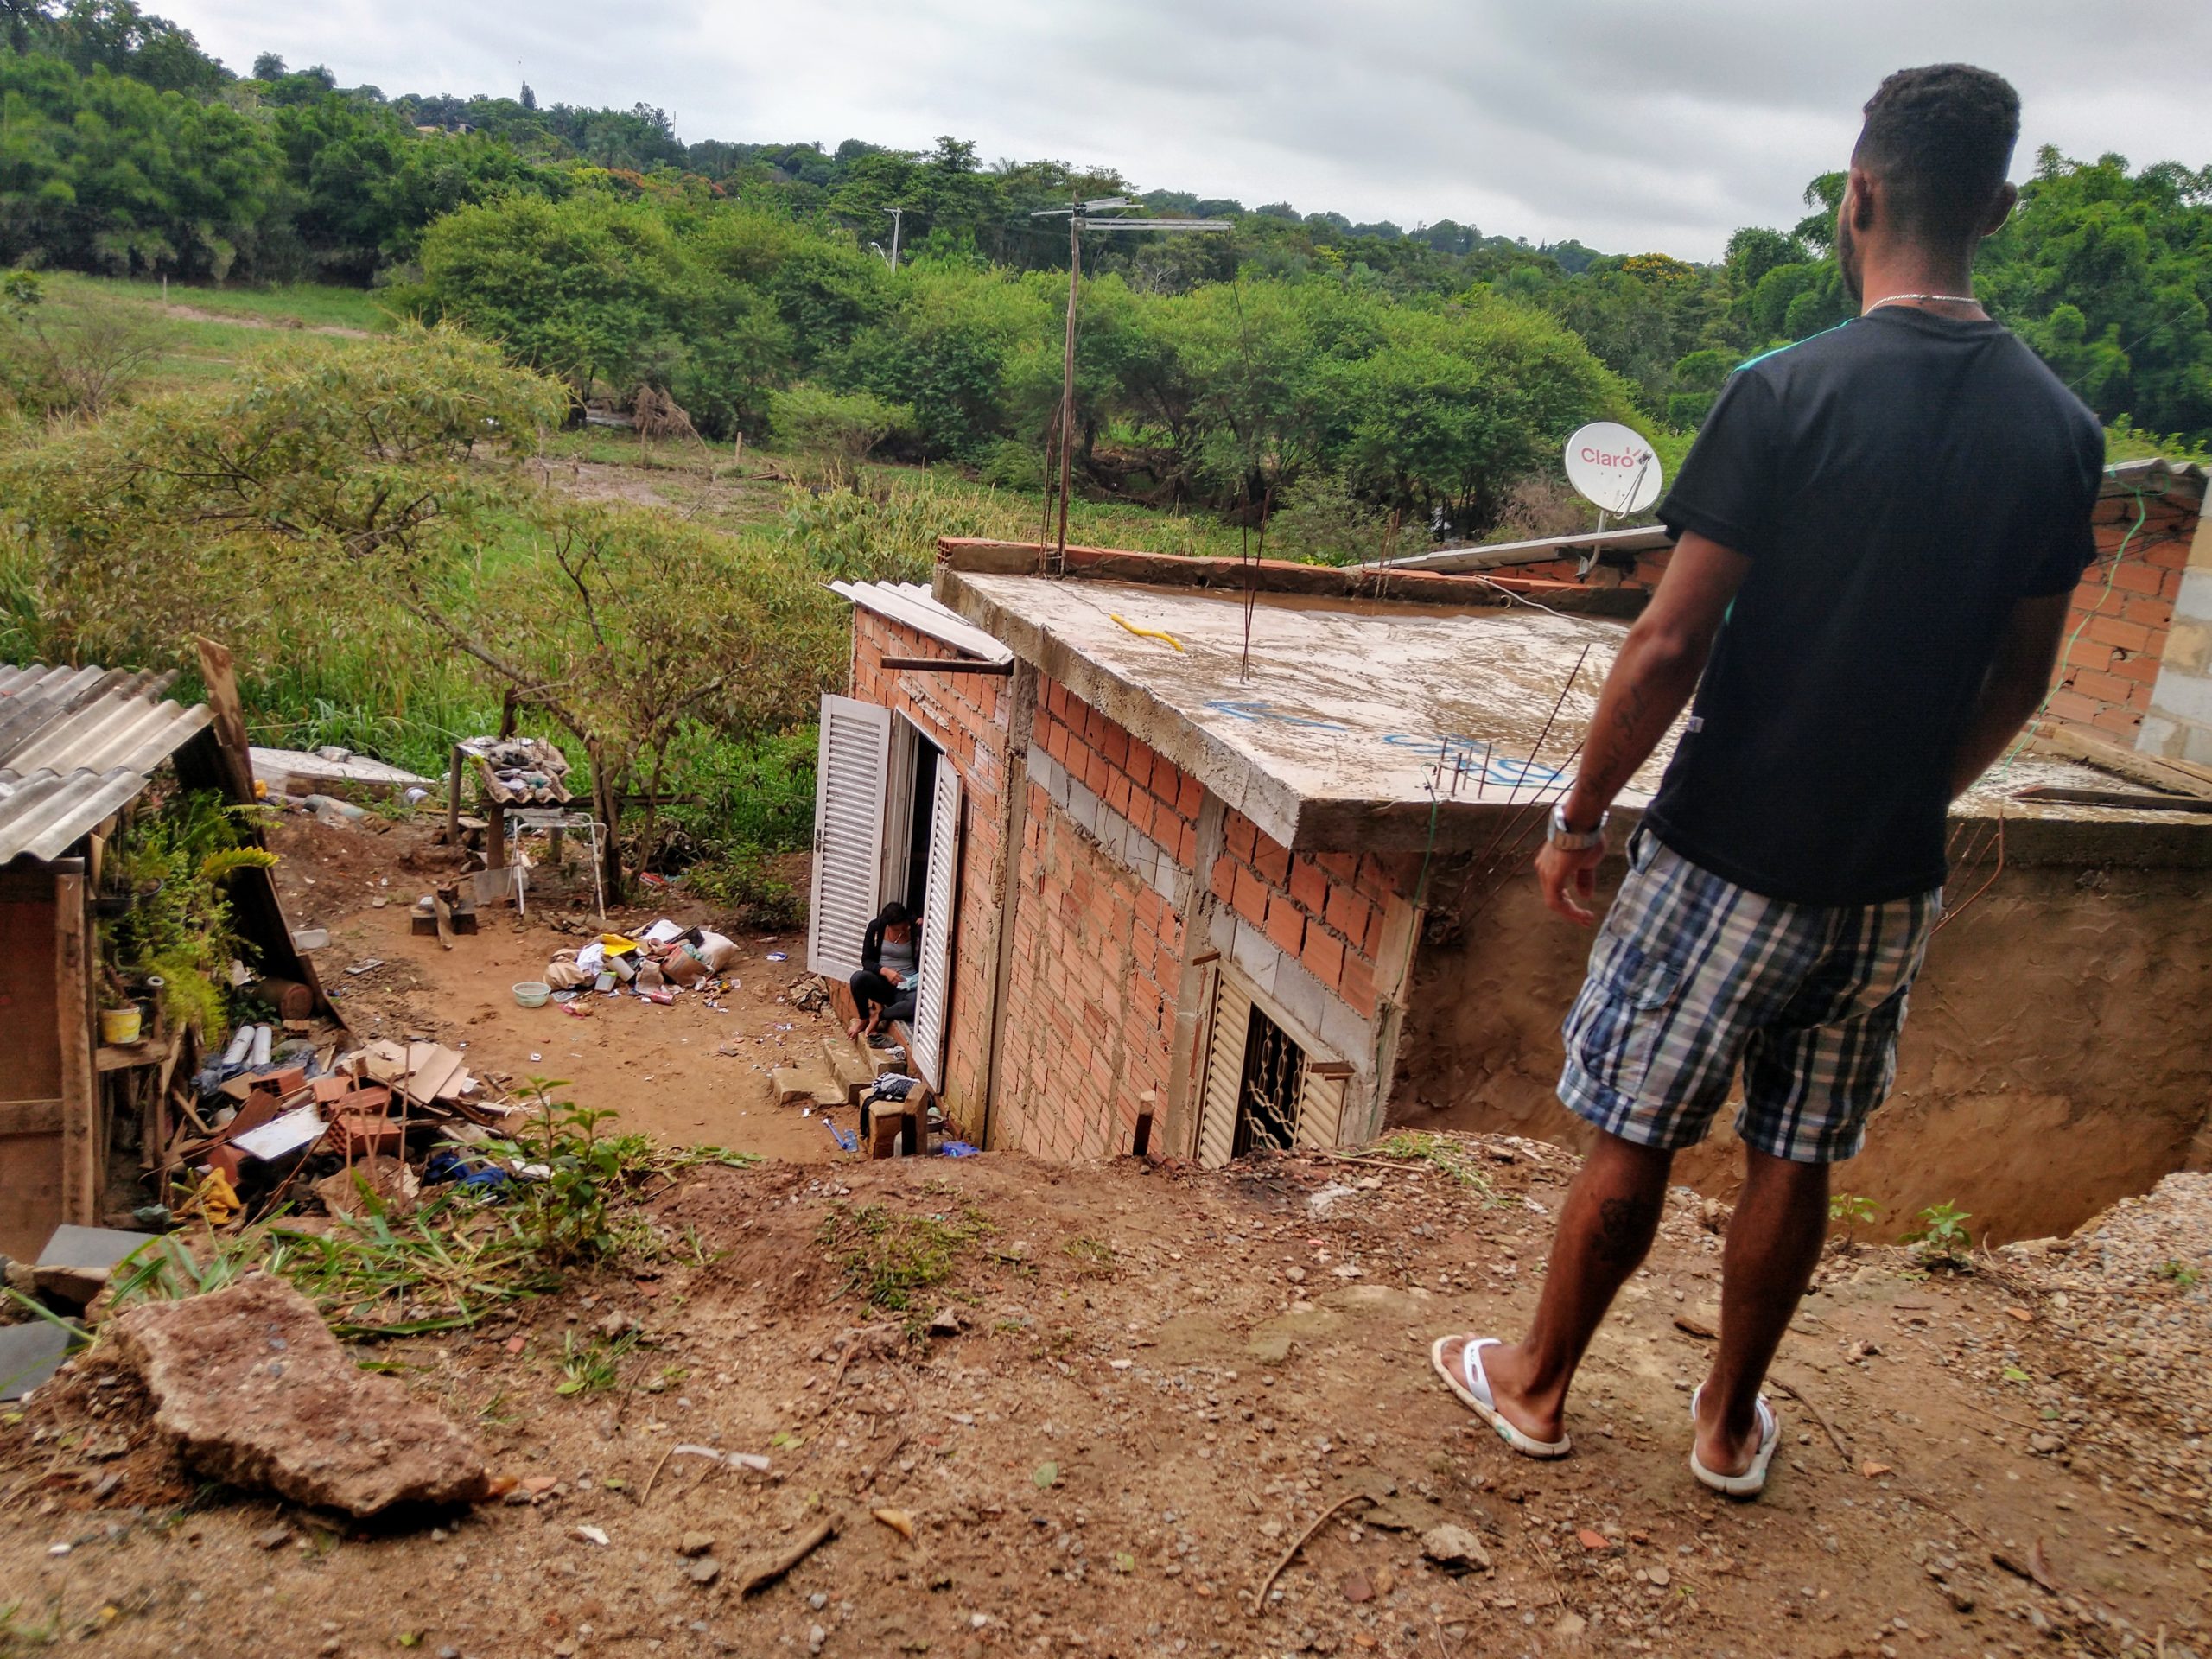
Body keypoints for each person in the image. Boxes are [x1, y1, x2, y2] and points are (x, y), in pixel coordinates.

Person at [1428, 64, 2103, 1500]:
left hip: (1729, 849)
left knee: (1639, 1125)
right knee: (1798, 1150)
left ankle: (1537, 1386)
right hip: (1886, 880)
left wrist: (1581, 815)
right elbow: (2022, 679)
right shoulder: (2062, 431)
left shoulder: (1786, 393)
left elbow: (1671, 639)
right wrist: (1916, 789)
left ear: (1859, 198)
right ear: (1998, 206)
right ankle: (1728, 1427)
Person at [849, 901, 918, 1043]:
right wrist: (884, 971)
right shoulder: (876, 928)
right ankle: (864, 1018)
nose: (905, 930)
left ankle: (880, 1016)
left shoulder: (915, 928)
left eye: (905, 926)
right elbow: (866, 961)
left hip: (908, 986)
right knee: (858, 979)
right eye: (899, 929)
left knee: (916, 1003)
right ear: (889, 926)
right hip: (884, 984)